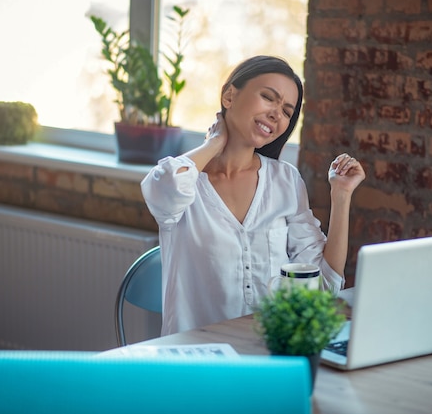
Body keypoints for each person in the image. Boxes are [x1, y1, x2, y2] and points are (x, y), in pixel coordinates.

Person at [141, 55, 365, 335]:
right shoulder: (186, 182)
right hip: (196, 359)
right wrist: (214, 143)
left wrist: (341, 196)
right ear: (229, 96)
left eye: (286, 111)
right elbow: (159, 187)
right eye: (269, 98)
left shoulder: (285, 180)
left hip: (269, 350)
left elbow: (324, 284)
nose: (276, 115)